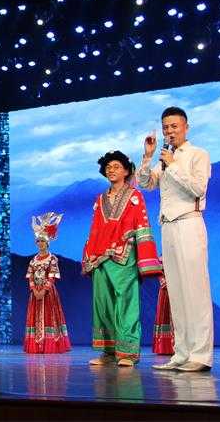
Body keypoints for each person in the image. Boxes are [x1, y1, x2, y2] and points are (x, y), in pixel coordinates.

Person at [138, 106, 213, 372]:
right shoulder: (163, 157)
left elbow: (198, 188)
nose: (169, 131)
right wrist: (148, 157)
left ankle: (200, 355)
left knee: (195, 291)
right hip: (168, 226)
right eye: (165, 127)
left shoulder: (197, 154)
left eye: (174, 126)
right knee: (177, 293)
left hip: (189, 223)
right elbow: (145, 183)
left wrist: (173, 165)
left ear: (186, 127)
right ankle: (181, 353)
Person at [82, 151, 163, 367]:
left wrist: (145, 257)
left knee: (126, 303)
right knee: (103, 304)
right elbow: (95, 228)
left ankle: (127, 352)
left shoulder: (135, 196)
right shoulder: (100, 199)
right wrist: (89, 255)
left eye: (116, 166)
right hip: (100, 257)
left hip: (125, 255)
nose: (111, 170)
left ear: (126, 171)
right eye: (108, 167)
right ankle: (108, 352)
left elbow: (142, 226)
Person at [23, 212, 71, 354]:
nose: (40, 243)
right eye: (38, 241)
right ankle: (37, 344)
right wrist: (34, 290)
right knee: (35, 317)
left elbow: (52, 276)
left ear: (47, 242)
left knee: (50, 317)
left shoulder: (52, 259)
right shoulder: (33, 260)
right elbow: (30, 276)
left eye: (43, 241)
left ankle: (51, 344)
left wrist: (44, 290)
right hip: (35, 293)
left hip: (48, 293)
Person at [153, 267, 175, 355]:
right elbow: (159, 269)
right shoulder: (163, 260)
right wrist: (164, 281)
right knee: (164, 314)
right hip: (166, 287)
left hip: (180, 287)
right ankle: (165, 347)